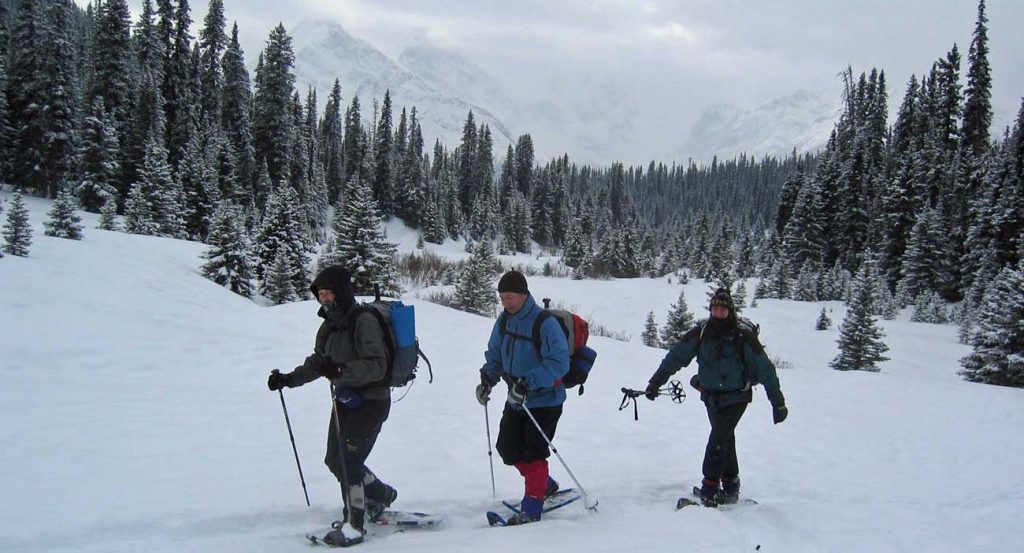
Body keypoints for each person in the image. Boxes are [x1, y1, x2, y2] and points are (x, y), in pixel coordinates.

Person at [267, 266, 397, 546]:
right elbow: (318, 363)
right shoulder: (329, 326)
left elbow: (377, 366)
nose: (325, 299)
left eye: (329, 293)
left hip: (372, 401)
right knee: (334, 460)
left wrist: (338, 370)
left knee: (349, 462)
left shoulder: (363, 321)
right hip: (346, 401)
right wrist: (288, 380)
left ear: (342, 292)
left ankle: (354, 525)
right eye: (321, 295)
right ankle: (381, 495)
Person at [644, 288, 788, 507]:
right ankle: (730, 487)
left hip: (737, 397)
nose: (718, 312)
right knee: (725, 439)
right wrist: (656, 382)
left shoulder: (743, 336)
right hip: (710, 397)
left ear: (730, 311)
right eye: (715, 308)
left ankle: (709, 490)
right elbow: (676, 357)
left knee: (718, 439)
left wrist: (777, 402)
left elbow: (765, 369)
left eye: (723, 309)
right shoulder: (702, 332)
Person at [475, 270, 570, 525]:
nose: (506, 302)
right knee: (506, 449)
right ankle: (544, 484)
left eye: (511, 297)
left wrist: (528, 382)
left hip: (546, 400)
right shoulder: (504, 322)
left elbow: (559, 363)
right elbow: (495, 355)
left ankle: (532, 508)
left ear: (524, 294)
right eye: (502, 297)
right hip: (516, 399)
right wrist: (488, 380)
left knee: (533, 453)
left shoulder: (544, 323)